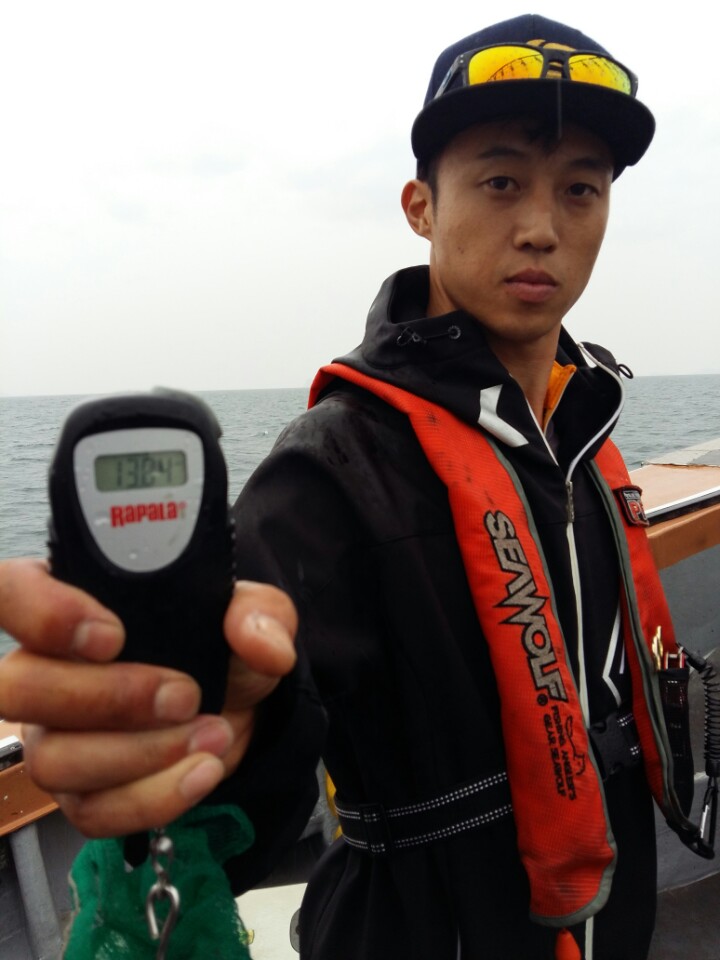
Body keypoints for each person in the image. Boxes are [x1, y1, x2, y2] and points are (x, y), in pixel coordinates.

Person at [0, 14, 699, 960]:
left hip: (613, 918)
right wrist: (210, 726)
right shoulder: (333, 465)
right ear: (421, 206)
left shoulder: (582, 429)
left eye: (581, 189)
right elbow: (265, 691)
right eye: (500, 182)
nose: (542, 227)